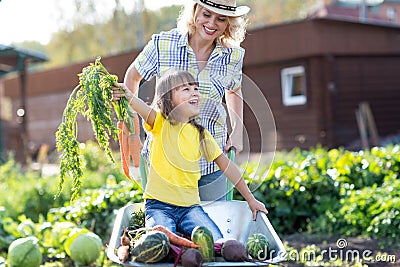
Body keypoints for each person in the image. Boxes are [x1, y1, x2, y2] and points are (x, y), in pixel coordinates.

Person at [112, 69, 268, 240]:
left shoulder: (201, 135)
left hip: (190, 208)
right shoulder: (160, 123)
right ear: (168, 99)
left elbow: (227, 166)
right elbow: (139, 105)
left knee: (216, 243)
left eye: (196, 88)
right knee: (159, 241)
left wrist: (251, 199)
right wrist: (127, 94)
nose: (194, 92)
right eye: (186, 89)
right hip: (159, 207)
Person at [119, 0, 251, 201]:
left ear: (229, 23)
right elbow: (133, 76)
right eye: (207, 14)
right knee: (167, 225)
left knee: (210, 226)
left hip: (211, 163)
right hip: (165, 162)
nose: (212, 23)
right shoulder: (163, 44)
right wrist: (132, 126)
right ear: (195, 11)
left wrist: (238, 132)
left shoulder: (232, 56)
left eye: (221, 19)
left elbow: (234, 90)